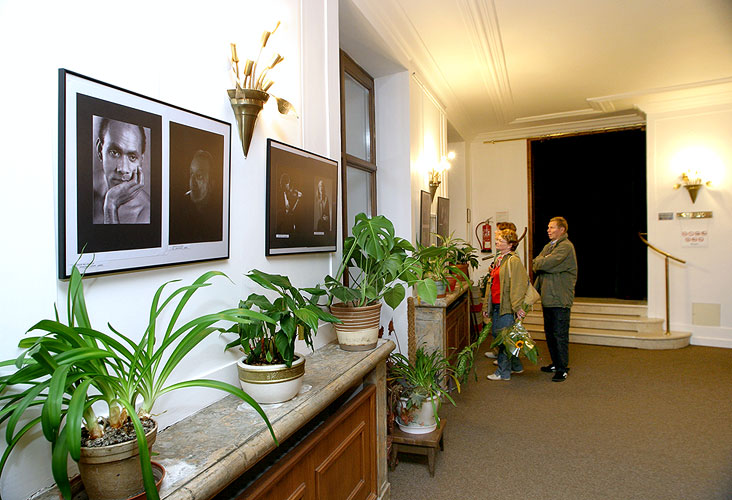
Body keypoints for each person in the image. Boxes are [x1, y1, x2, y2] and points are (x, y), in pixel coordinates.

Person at [532, 216, 578, 382]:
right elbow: (537, 264)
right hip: (548, 298)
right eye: (548, 227)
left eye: (552, 227)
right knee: (550, 333)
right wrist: (543, 264)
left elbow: (544, 264)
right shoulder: (549, 246)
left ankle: (562, 368)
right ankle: (555, 362)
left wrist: (543, 263)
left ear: (562, 230)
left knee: (560, 334)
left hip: (560, 298)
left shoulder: (565, 246)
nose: (548, 230)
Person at [483, 228, 529, 381]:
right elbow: (493, 284)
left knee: (503, 339)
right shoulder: (500, 259)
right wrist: (486, 306)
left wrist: (517, 307)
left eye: (501, 240)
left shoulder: (513, 261)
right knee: (500, 336)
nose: (497, 242)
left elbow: (519, 285)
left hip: (507, 306)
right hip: (496, 304)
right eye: (498, 240)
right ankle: (516, 366)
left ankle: (503, 373)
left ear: (510, 245)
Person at [93, 117, 150, 224]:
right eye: (114, 153)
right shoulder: (81, 191)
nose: (123, 169)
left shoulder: (145, 211)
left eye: (132, 157)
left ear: (141, 161)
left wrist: (111, 204)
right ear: (100, 150)